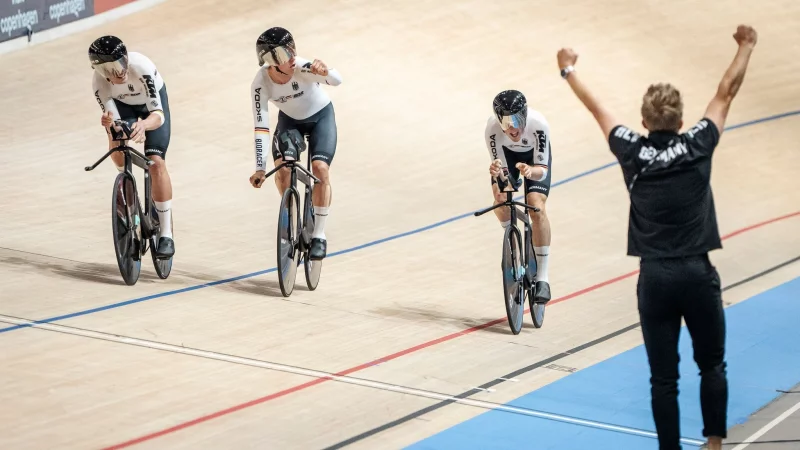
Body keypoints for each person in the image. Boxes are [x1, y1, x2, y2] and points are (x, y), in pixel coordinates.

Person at [557, 24, 758, 450]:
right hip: (697, 273)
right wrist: (746, 46)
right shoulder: (699, 143)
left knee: (663, 378)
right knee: (712, 366)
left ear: (644, 122)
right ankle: (715, 443)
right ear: (682, 121)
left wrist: (569, 70)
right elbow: (726, 93)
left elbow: (599, 110)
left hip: (656, 280)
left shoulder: (631, 149)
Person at [248, 27, 342, 260]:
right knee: (283, 170)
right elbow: (261, 127)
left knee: (320, 169)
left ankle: (319, 234)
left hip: (321, 117)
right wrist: (260, 168)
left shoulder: (301, 66)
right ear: (270, 60)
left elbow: (337, 80)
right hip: (291, 123)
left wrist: (325, 70)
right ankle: (290, 215)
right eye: (283, 53)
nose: (291, 57)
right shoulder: (260, 83)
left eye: (292, 49)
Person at [89, 35, 175, 258]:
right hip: (124, 109)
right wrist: (110, 127)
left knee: (155, 162)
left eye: (121, 63)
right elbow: (116, 123)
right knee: (117, 145)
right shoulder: (98, 83)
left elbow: (158, 116)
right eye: (113, 68)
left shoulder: (141, 66)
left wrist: (144, 125)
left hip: (151, 110)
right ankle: (126, 185)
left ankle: (166, 234)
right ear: (102, 71)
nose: (120, 72)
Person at [485, 90, 553, 303]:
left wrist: (532, 172)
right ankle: (512, 243)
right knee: (500, 199)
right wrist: (498, 174)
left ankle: (543, 278)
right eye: (506, 122)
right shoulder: (493, 131)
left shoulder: (539, 124)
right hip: (508, 158)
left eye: (516, 120)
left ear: (524, 115)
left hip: (534, 160)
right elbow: (501, 170)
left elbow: (543, 169)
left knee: (536, 206)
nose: (512, 128)